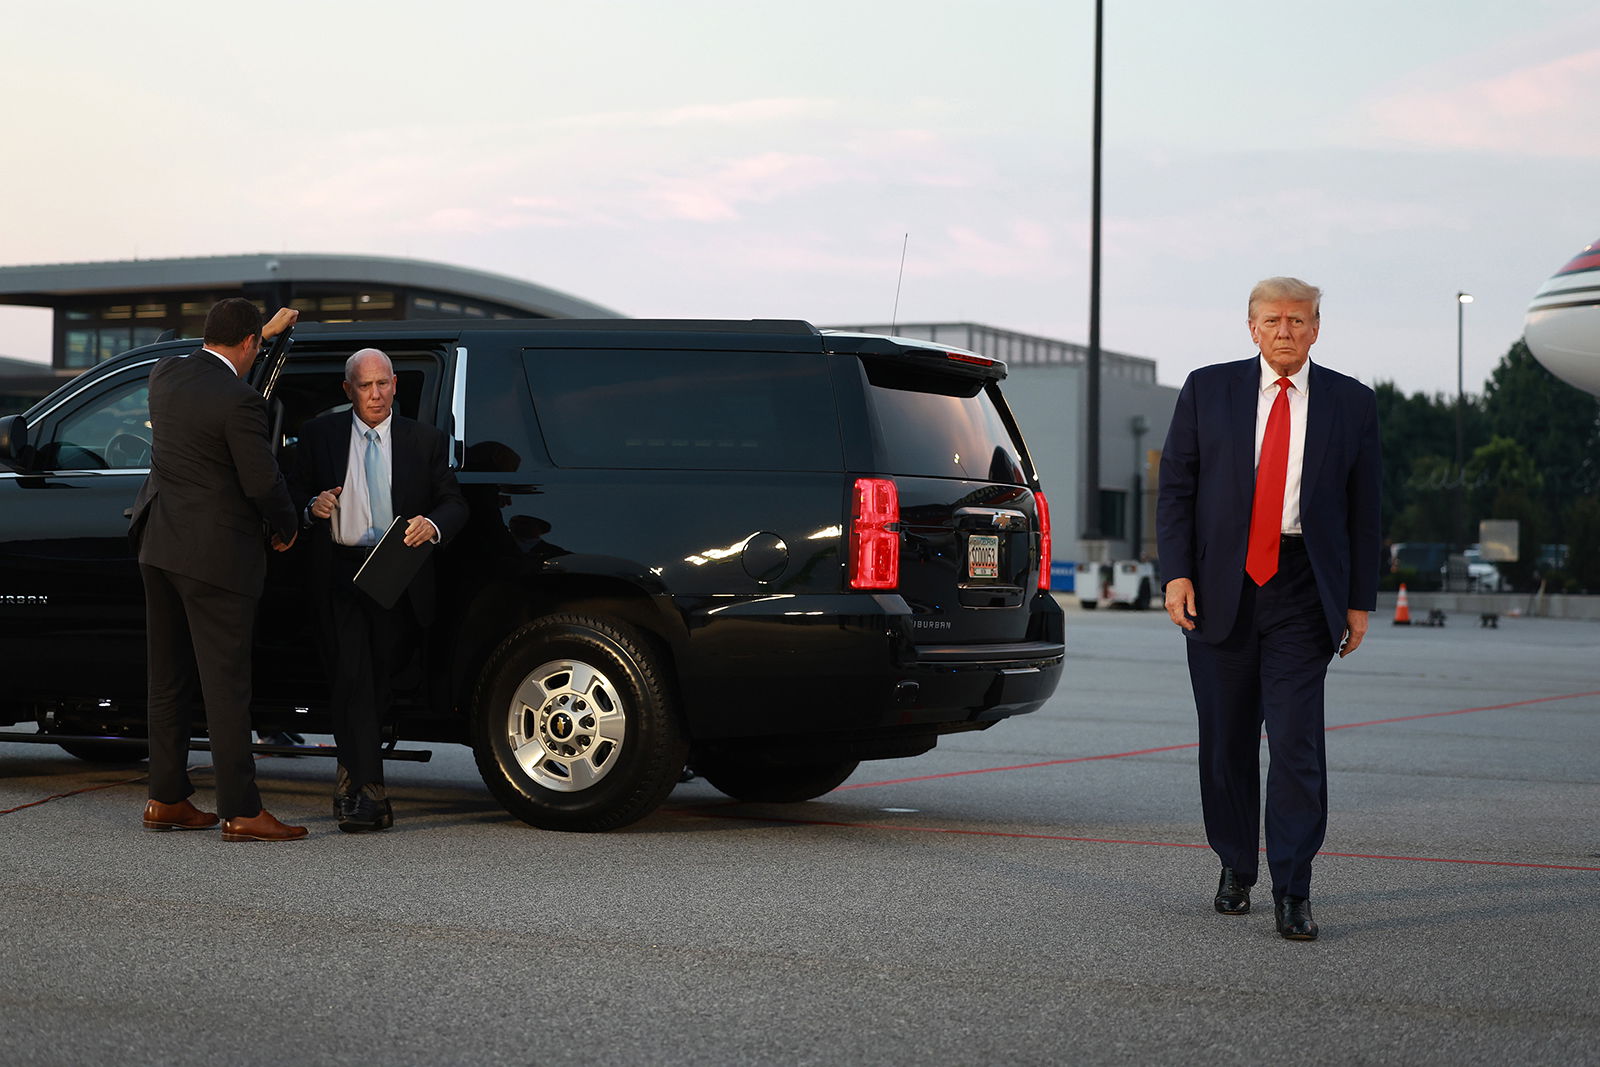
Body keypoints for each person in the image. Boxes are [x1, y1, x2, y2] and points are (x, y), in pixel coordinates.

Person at [1156, 277, 1381, 941]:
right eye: (1273, 320)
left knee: (1295, 743)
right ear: (1251, 327)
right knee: (1225, 743)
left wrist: (1360, 600)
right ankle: (1234, 862)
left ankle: (1293, 886)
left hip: (1304, 590)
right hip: (1220, 587)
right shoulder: (1207, 389)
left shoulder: (1351, 403)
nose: (1286, 330)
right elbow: (1175, 490)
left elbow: (1365, 509)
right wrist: (1175, 575)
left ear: (1317, 328)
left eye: (1298, 320)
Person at [130, 298, 308, 842]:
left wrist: (265, 329)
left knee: (167, 680)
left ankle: (166, 799)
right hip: (216, 560)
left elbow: (205, 361)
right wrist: (289, 524)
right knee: (226, 688)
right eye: (256, 343)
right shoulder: (241, 402)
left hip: (159, 549)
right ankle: (242, 810)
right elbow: (261, 482)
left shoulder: (166, 374)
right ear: (250, 344)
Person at [292, 348, 466, 832]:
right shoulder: (318, 435)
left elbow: (454, 503)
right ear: (348, 390)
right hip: (340, 573)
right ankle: (365, 793)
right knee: (353, 680)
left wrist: (431, 525)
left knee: (378, 683)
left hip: (396, 573)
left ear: (395, 385)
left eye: (384, 384)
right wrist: (312, 506)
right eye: (365, 386)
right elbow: (289, 492)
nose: (376, 395)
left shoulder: (424, 440)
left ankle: (356, 783)